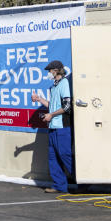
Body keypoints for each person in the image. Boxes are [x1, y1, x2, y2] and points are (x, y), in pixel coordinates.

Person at [31, 60, 74, 194]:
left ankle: (82, 181)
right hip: (53, 127)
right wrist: (39, 99)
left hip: (62, 127)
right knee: (53, 157)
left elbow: (67, 106)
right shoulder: (54, 86)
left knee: (65, 155)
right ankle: (59, 185)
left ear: (56, 70)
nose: (48, 73)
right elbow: (52, 105)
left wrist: (51, 115)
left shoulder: (64, 83)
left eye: (49, 71)